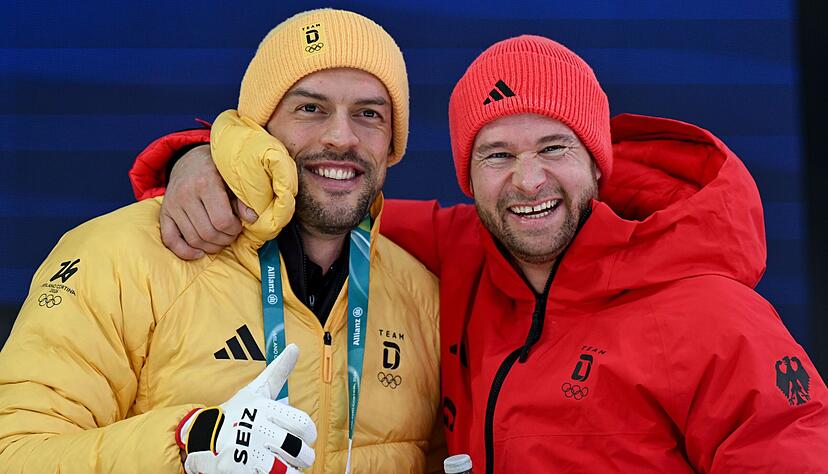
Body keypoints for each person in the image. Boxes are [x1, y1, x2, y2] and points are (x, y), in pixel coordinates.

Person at [128, 35, 828, 472]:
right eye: (498, 155)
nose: (528, 180)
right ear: (469, 177)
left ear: (597, 165)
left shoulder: (710, 312)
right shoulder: (458, 253)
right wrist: (205, 161)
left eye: (554, 148)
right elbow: (318, 198)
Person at [0, 9, 444, 473]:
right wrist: (189, 442)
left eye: (368, 114)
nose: (340, 136)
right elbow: (15, 453)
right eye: (310, 108)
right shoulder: (121, 256)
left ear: (393, 143)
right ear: (258, 126)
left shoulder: (421, 300)